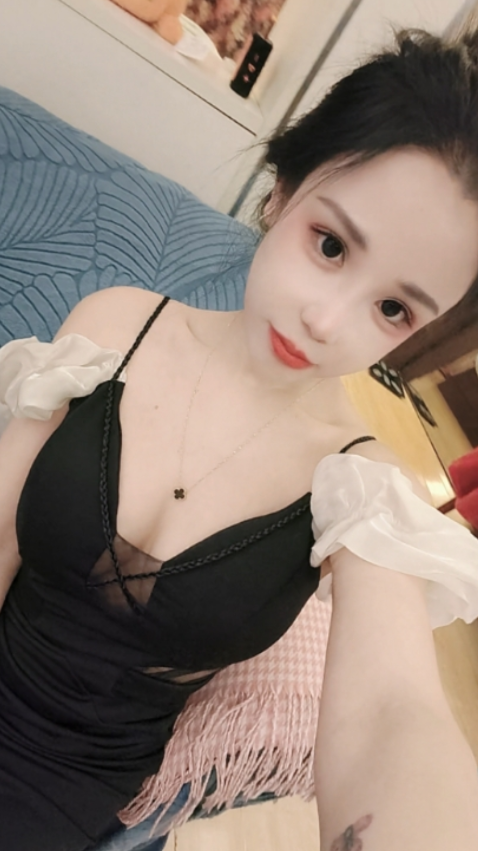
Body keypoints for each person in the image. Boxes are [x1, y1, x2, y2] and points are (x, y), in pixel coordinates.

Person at [1, 24, 478, 851]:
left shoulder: (359, 489)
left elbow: (393, 713)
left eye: (393, 308)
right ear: (281, 189)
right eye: (330, 245)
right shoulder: (112, 327)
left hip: (65, 799)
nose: (327, 321)